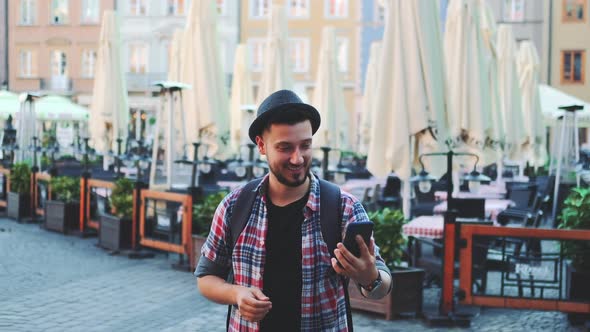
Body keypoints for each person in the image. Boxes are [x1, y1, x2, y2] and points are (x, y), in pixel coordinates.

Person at [195, 90, 392, 331]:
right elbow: (206, 278)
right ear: (261, 145)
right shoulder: (234, 206)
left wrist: (369, 278)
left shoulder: (343, 207)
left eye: (305, 145)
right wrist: (235, 293)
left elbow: (382, 285)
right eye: (285, 147)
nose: (298, 158)